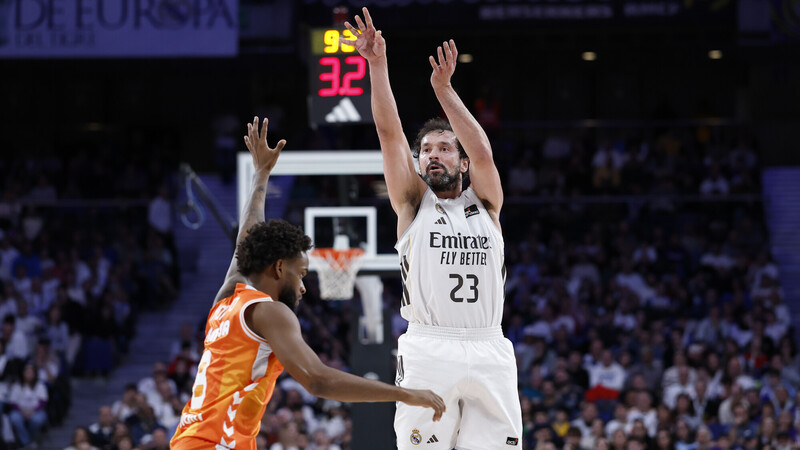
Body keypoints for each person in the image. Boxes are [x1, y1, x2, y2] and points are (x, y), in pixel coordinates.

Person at [170, 117, 445, 449]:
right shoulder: (270, 312)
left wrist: (261, 174)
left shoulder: (226, 301)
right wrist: (405, 394)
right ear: (279, 266)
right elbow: (318, 380)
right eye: (300, 274)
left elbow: (247, 238)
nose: (303, 287)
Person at [345, 8, 522, 448]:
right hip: (429, 346)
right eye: (426, 150)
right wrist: (377, 64)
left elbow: (483, 153)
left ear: (460, 162)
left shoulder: (487, 204)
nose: (433, 155)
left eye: (444, 147)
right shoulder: (412, 203)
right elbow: (389, 135)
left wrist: (443, 90)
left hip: (489, 346)